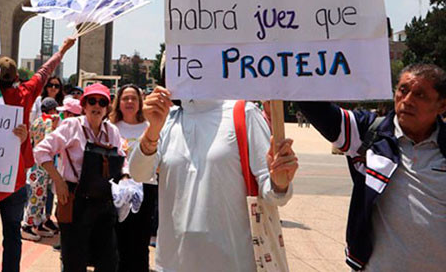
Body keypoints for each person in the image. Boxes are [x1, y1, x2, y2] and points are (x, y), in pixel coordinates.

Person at [295, 63, 446, 271]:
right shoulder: (370, 133)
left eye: (420, 95)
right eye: (403, 90)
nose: (407, 100)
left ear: (442, 105)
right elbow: (313, 107)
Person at [129, 87, 299, 272]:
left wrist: (280, 181)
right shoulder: (168, 120)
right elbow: (139, 174)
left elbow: (274, 193)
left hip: (234, 262)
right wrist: (153, 130)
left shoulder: (244, 113)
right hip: (173, 263)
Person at [0, 36, 75, 272]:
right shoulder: (25, 94)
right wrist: (62, 50)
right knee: (12, 233)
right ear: (17, 77)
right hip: (15, 177)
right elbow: (44, 71)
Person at [34, 84, 125, 272]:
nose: (97, 105)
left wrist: (126, 180)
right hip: (75, 201)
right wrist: (58, 181)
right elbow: (41, 151)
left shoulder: (112, 131)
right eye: (92, 100)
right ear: (83, 105)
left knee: (108, 261)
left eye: (102, 102)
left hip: (104, 202)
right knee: (74, 261)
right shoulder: (71, 125)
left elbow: (122, 160)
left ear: (107, 107)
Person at [109, 84, 155, 272]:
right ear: (118, 102)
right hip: (118, 191)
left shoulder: (150, 127)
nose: (129, 102)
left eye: (134, 98)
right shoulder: (110, 128)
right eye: (125, 98)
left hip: (147, 187)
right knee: (117, 240)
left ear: (140, 102)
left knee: (140, 241)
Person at [21, 97, 61, 241]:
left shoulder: (37, 120)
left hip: (35, 163)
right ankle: (27, 225)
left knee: (39, 195)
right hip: (43, 165)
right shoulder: (49, 121)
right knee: (36, 197)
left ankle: (37, 223)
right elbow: (50, 140)